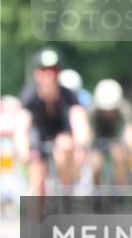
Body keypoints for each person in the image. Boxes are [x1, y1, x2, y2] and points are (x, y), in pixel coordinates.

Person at [15, 48, 91, 195]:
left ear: (59, 72)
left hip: (61, 135)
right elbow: (21, 127)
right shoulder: (29, 95)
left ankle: (66, 192)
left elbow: (79, 121)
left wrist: (81, 146)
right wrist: (23, 150)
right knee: (36, 178)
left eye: (53, 70)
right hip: (37, 136)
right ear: (37, 74)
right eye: (44, 70)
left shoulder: (68, 95)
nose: (49, 75)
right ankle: (36, 214)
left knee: (66, 147)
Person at [88, 79, 132, 189]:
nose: (108, 114)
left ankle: (119, 190)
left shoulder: (125, 109)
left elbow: (130, 131)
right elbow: (88, 133)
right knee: (96, 164)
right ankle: (96, 192)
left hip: (117, 138)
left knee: (120, 158)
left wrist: (130, 149)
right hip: (98, 138)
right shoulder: (92, 111)